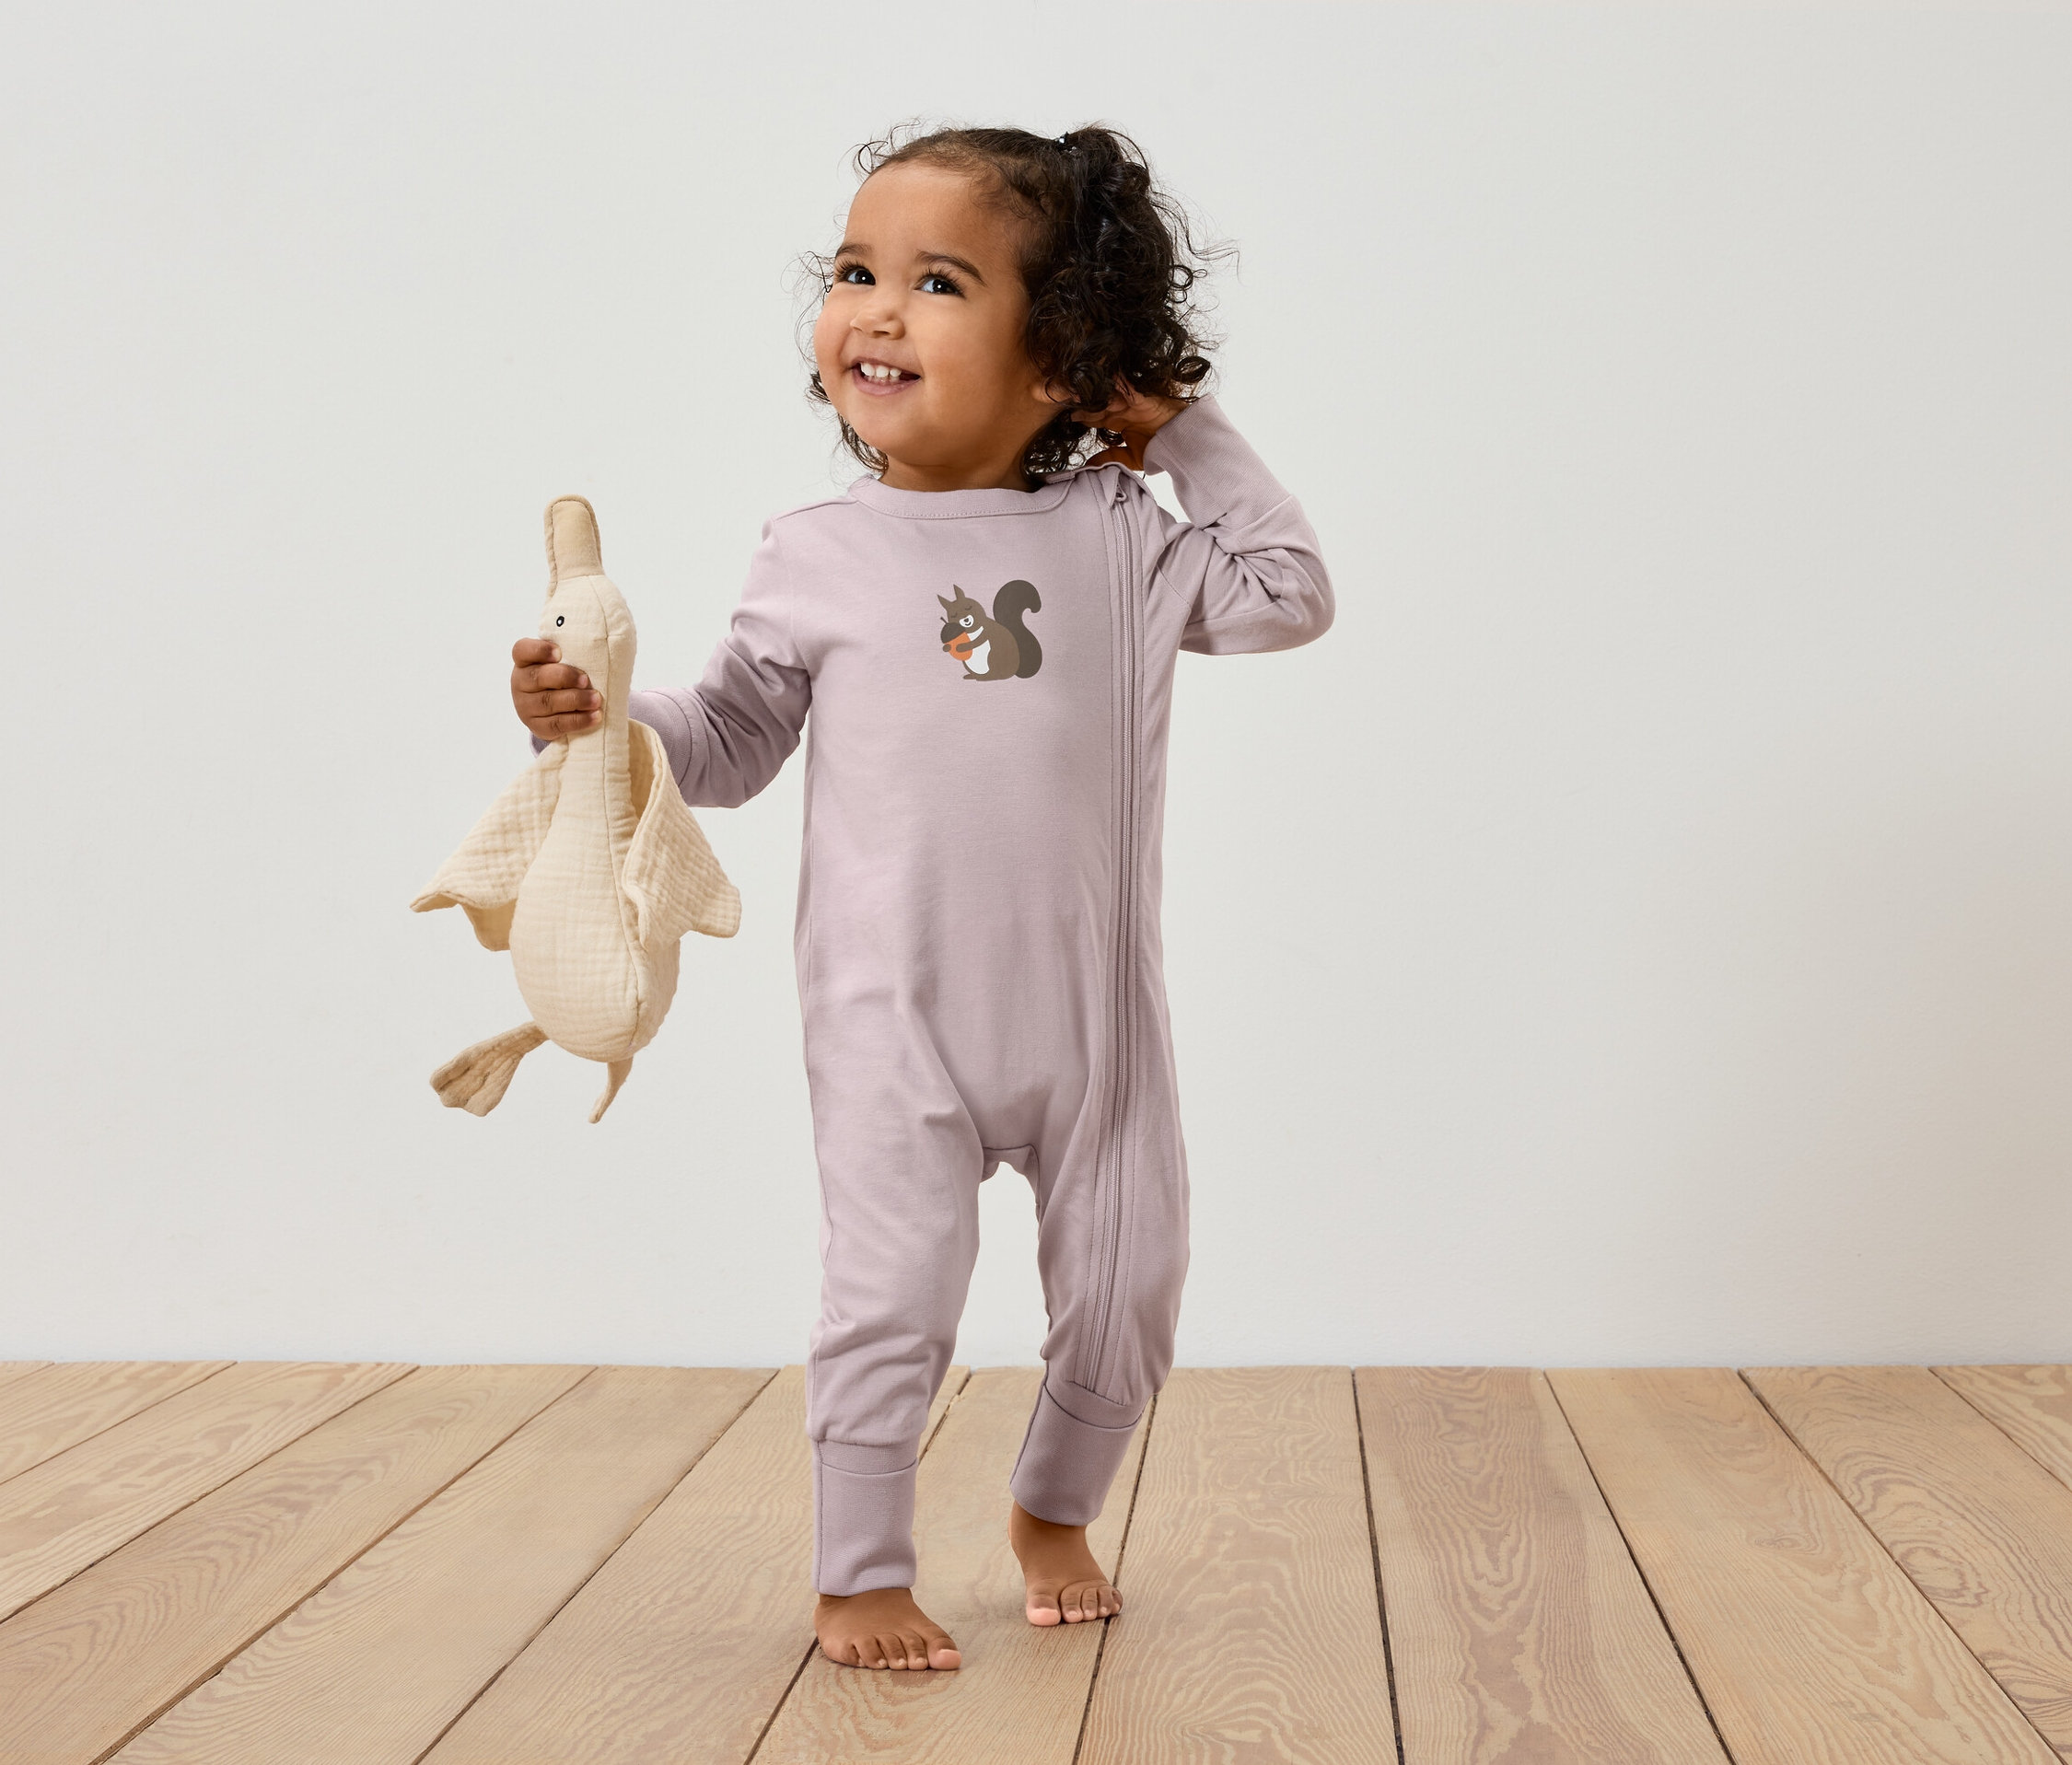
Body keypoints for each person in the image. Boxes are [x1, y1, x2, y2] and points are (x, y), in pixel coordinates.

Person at [509, 122, 1333, 1672]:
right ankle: (858, 1568)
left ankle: (1051, 1504)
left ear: (1059, 363)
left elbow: (1289, 591)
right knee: (890, 1293)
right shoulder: (817, 552)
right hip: (892, 1021)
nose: (874, 309)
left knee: (1127, 1296)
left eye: (937, 281)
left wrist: (1177, 430)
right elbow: (735, 740)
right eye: (853, 271)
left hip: (1096, 1028)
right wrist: (609, 726)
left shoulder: (1118, 541)